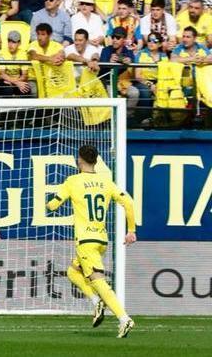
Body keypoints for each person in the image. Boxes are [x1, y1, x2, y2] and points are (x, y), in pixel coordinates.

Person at [46, 144, 138, 338]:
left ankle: (124, 318)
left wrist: (51, 199)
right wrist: (131, 230)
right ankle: (97, 301)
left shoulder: (72, 181)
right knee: (73, 271)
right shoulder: (106, 181)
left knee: (98, 282)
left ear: (79, 160)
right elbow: (128, 202)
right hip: (101, 240)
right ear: (96, 160)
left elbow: (53, 205)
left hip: (85, 240)